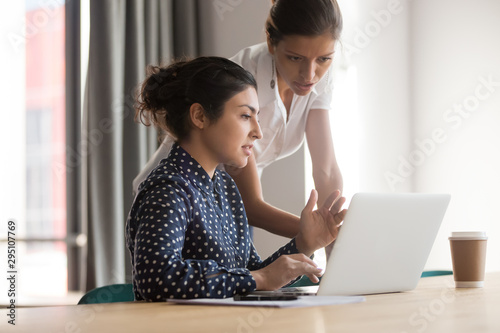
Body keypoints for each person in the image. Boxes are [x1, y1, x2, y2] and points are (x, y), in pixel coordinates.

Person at [126, 56, 346, 300]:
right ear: (199, 116)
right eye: (245, 116)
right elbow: (156, 279)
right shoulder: (168, 189)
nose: (258, 132)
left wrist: (304, 243)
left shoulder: (226, 188)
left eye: (257, 117)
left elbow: (249, 274)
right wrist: (259, 278)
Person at [133, 0, 343, 241]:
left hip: (227, 201)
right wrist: (323, 233)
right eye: (295, 58)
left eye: (324, 59)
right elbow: (252, 205)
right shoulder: (243, 81)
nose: (309, 74)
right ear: (271, 42)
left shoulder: (319, 78)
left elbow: (326, 170)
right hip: (180, 198)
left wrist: (334, 248)